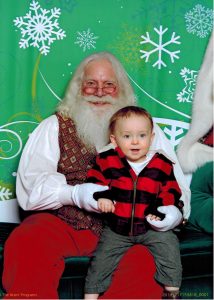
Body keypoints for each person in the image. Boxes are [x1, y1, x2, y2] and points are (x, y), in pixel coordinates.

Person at [2, 51, 190, 299]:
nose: (100, 91)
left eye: (109, 84)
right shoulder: (54, 127)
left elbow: (176, 185)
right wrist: (74, 194)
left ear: (120, 89)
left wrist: (174, 213)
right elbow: (30, 190)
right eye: (91, 84)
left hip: (133, 230)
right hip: (67, 224)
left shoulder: (146, 130)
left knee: (145, 262)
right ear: (78, 88)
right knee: (28, 239)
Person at [84, 106, 183, 300]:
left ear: (151, 137)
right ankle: (90, 295)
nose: (135, 141)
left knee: (170, 248)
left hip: (150, 228)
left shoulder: (162, 162)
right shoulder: (106, 160)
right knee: (100, 261)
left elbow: (171, 190)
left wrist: (161, 211)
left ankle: (172, 291)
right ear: (114, 140)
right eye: (127, 136)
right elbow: (94, 182)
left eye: (142, 135)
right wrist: (101, 197)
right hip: (116, 228)